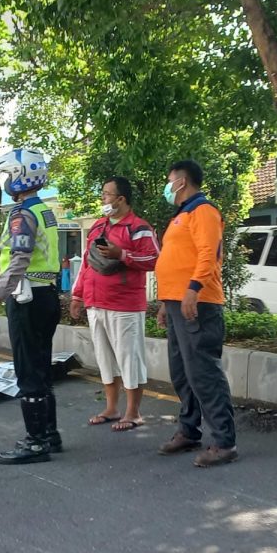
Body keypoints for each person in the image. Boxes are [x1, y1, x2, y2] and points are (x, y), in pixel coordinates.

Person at [0, 148, 61, 465]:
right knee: (42, 368)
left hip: (27, 299)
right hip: (47, 295)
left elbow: (20, 259)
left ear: (20, 177)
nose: (6, 182)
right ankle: (49, 434)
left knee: (28, 372)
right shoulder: (45, 211)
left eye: (9, 175)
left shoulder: (22, 214)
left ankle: (36, 443)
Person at [154, 160, 238, 467]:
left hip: (198, 303)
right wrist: (166, 302)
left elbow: (208, 254)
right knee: (182, 373)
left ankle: (224, 442)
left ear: (182, 181)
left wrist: (192, 289)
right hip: (177, 302)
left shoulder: (203, 211)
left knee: (204, 373)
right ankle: (189, 431)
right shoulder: (182, 214)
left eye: (170, 180)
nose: (167, 185)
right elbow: (177, 258)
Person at [70, 176, 159, 432]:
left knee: (129, 358)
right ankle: (111, 408)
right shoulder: (98, 227)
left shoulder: (139, 227)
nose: (103, 198)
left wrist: (122, 254)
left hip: (125, 304)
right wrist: (77, 295)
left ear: (121, 199)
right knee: (105, 358)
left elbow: (154, 259)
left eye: (107, 194)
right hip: (96, 303)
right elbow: (86, 263)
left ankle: (133, 412)